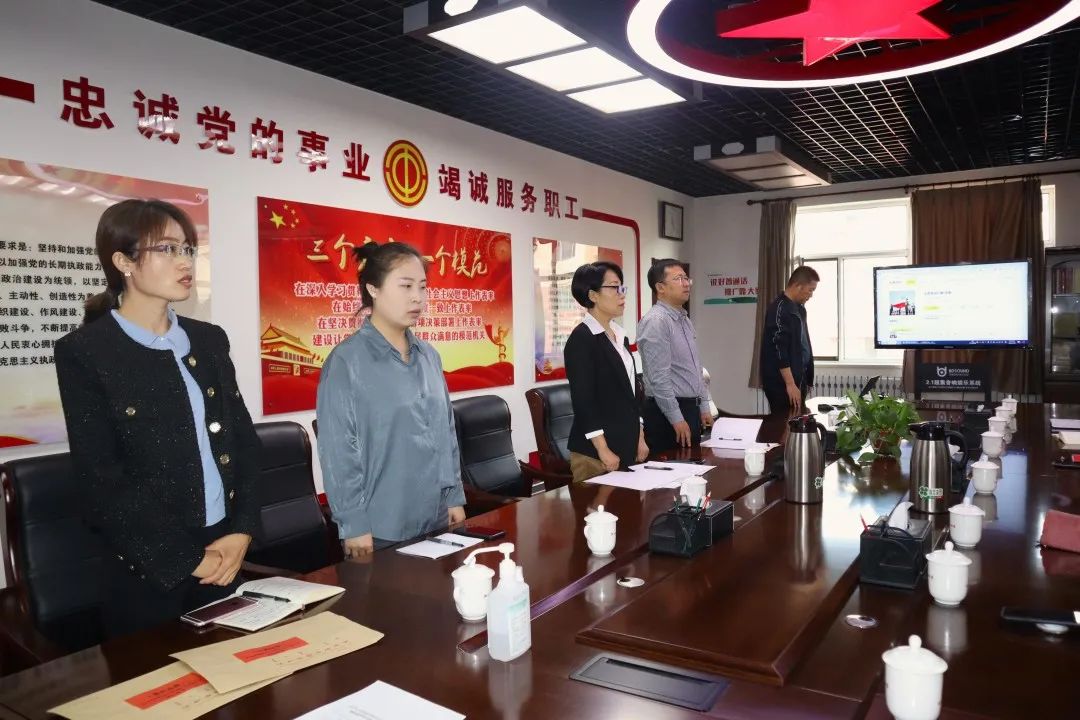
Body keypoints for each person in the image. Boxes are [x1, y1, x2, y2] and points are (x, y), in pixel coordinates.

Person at [54, 199, 261, 639]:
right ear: (124, 262)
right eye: (167, 249)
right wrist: (188, 559)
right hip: (146, 569)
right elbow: (102, 479)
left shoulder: (208, 340)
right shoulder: (86, 352)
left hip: (225, 551)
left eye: (187, 249)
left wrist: (242, 530)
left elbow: (243, 442)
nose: (185, 261)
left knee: (241, 673)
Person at [317, 242, 466, 557]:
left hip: (436, 517)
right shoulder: (347, 361)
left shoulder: (429, 356)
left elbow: (446, 432)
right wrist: (353, 525)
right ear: (373, 289)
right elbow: (339, 452)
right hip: (381, 528)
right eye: (406, 286)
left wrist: (454, 496)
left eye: (422, 287)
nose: (417, 297)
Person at [563, 261, 648, 482]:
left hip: (626, 445)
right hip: (595, 454)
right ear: (593, 295)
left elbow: (632, 394)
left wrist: (639, 436)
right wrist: (602, 449)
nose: (622, 294)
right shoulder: (582, 339)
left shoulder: (619, 336)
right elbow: (583, 401)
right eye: (614, 287)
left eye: (622, 287)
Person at [637, 259, 712, 453]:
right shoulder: (656, 321)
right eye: (679, 279)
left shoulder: (684, 319)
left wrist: (704, 405)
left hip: (689, 408)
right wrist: (676, 418)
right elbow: (658, 378)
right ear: (660, 287)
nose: (686, 284)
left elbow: (696, 367)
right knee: (672, 468)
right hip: (666, 414)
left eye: (686, 278)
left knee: (693, 465)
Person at [760, 265, 819, 414]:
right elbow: (779, 349)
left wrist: (808, 378)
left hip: (799, 380)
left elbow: (803, 344)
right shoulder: (779, 309)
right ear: (798, 286)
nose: (811, 295)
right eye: (810, 290)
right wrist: (790, 384)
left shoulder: (800, 309)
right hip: (781, 385)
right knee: (784, 423)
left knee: (798, 420)